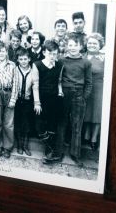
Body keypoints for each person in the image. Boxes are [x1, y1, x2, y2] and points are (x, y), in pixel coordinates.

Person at [49, 34, 92, 165]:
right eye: (70, 45)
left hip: (78, 95)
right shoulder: (61, 60)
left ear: (81, 47)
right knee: (61, 123)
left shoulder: (86, 62)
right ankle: (58, 153)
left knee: (77, 125)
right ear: (67, 46)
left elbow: (89, 83)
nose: (72, 48)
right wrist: (60, 92)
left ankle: (75, 154)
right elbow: (58, 78)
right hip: (64, 94)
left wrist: (84, 97)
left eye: (75, 45)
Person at [34, 40, 63, 163]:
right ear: (44, 52)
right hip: (41, 99)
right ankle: (51, 149)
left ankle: (49, 152)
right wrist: (37, 102)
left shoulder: (59, 65)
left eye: (55, 53)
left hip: (54, 100)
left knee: (52, 125)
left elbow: (59, 81)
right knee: (39, 125)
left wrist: (60, 91)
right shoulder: (37, 64)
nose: (52, 56)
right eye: (50, 53)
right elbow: (35, 85)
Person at [14, 47, 41, 156]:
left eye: (25, 59)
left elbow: (35, 87)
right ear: (18, 60)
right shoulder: (15, 70)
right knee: (17, 124)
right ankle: (19, 146)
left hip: (27, 101)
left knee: (26, 124)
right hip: (16, 101)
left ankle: (25, 146)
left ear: (29, 59)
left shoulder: (33, 71)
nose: (23, 61)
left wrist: (36, 102)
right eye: (21, 59)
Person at [83, 33, 105, 151]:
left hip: (98, 88)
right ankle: (86, 135)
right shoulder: (82, 56)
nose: (91, 45)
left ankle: (94, 138)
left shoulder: (104, 58)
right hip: (85, 88)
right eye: (90, 43)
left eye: (94, 43)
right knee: (86, 111)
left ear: (100, 45)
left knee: (97, 112)